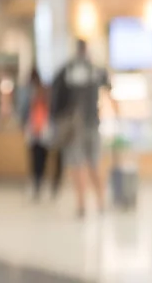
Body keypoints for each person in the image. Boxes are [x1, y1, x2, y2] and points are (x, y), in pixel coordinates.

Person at [51, 39, 118, 217]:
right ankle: (100, 201)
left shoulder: (66, 70)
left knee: (77, 165)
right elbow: (110, 90)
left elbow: (55, 98)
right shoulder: (95, 69)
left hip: (74, 126)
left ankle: (81, 204)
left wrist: (57, 121)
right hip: (91, 123)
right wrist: (117, 113)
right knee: (94, 163)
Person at [18, 69, 63, 200]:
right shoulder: (31, 102)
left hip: (45, 134)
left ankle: (45, 183)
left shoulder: (49, 105)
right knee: (36, 161)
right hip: (35, 134)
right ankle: (37, 183)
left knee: (43, 160)